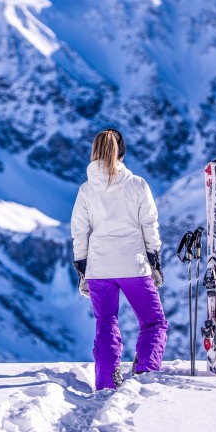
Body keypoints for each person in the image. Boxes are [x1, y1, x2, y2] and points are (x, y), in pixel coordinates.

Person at [71, 128, 168, 390]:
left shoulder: (86, 190)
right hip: (133, 265)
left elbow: (80, 232)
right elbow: (150, 225)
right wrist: (155, 262)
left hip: (99, 267)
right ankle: (145, 371)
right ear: (122, 153)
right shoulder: (137, 185)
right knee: (153, 322)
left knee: (106, 323)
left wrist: (82, 269)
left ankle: (105, 380)